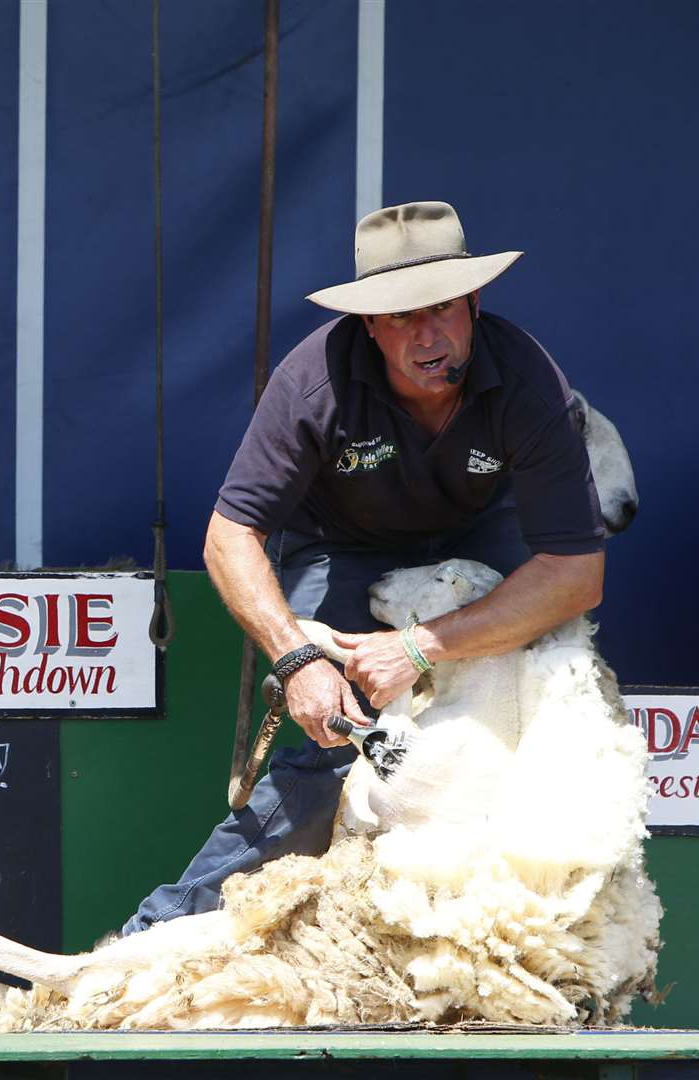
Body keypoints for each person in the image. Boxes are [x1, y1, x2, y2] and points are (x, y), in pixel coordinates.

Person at [121, 200, 606, 935]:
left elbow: (573, 572)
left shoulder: (531, 381)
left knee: (545, 715)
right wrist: (295, 661)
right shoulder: (313, 380)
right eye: (400, 317)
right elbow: (229, 535)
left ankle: (542, 947)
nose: (426, 334)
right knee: (337, 743)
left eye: (441, 309)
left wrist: (419, 646)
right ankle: (156, 937)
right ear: (367, 325)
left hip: (482, 539)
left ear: (472, 303)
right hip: (341, 544)